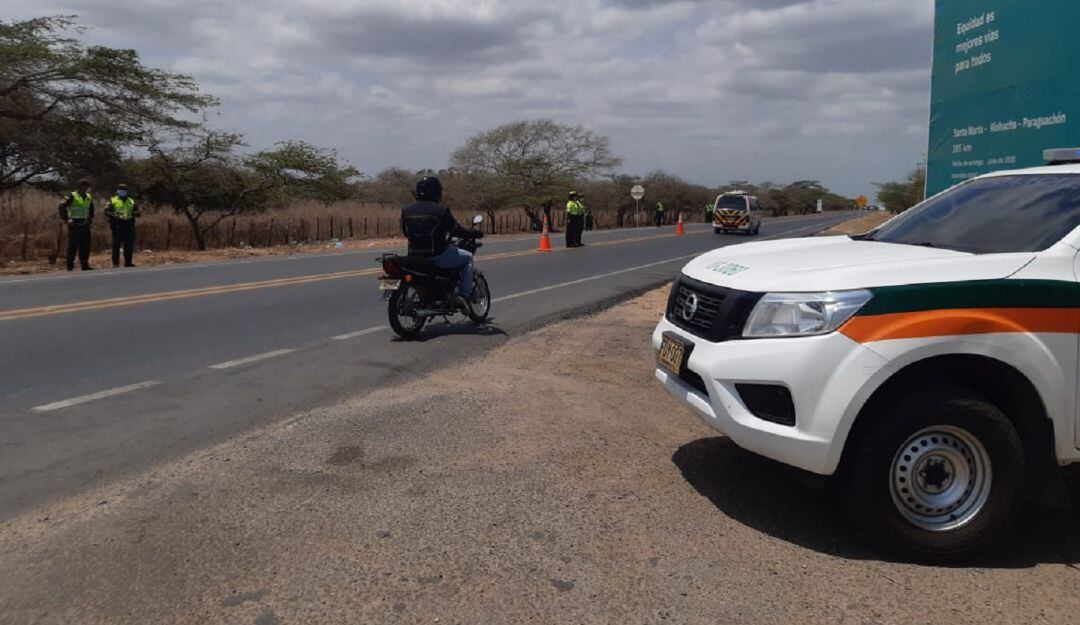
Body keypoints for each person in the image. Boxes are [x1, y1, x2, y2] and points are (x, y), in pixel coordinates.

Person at [400, 176, 483, 310]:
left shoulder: (406, 210)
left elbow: (405, 232)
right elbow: (456, 230)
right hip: (437, 254)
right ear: (436, 191)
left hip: (414, 255)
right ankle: (463, 296)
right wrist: (474, 233)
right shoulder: (441, 210)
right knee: (467, 257)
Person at [58, 178, 95, 271]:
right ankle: (70, 266)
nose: (85, 189)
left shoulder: (88, 197)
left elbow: (91, 209)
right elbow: (61, 207)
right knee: (73, 246)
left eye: (87, 187)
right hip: (74, 224)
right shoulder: (72, 195)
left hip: (85, 224)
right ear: (79, 187)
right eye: (84, 187)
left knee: (85, 246)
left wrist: (90, 219)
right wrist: (67, 219)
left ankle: (84, 265)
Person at [106, 183, 141, 268]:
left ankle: (128, 263)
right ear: (118, 191)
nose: (122, 191)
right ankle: (115, 264)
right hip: (117, 225)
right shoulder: (112, 200)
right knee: (116, 245)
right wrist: (114, 216)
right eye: (121, 189)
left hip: (129, 225)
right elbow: (107, 211)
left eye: (124, 190)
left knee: (129, 245)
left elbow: (136, 212)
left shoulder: (131, 201)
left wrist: (138, 212)